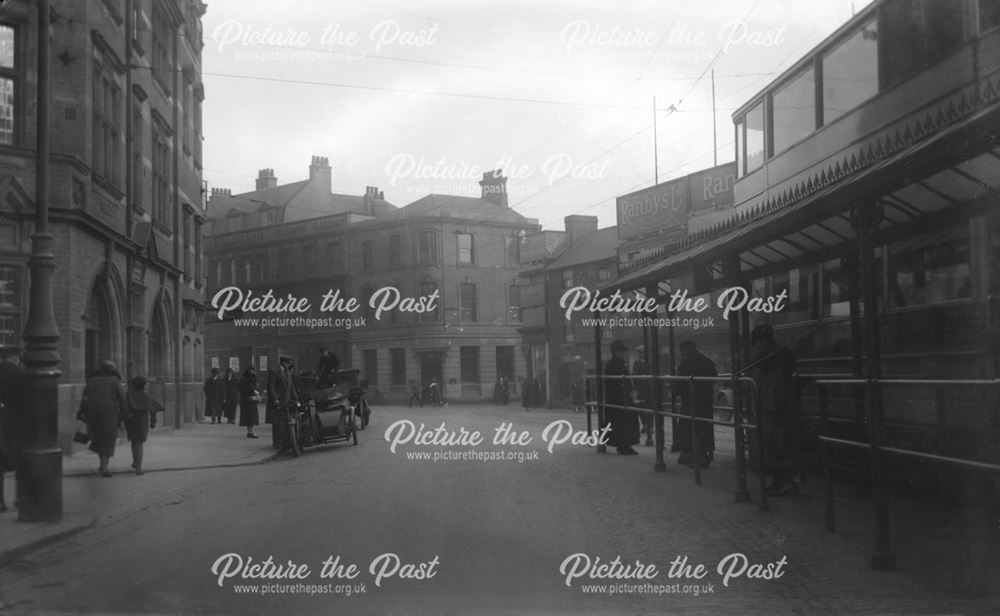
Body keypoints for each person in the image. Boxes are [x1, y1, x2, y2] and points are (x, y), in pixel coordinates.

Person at [750, 324, 799, 496]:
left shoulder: (768, 355)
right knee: (776, 445)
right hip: (775, 405)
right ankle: (780, 482)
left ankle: (784, 483)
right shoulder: (782, 351)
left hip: (774, 406)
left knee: (776, 444)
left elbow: (755, 361)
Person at [77, 360, 127, 477]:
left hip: (93, 415)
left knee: (99, 440)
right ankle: (105, 468)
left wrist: (82, 412)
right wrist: (123, 415)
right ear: (111, 369)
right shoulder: (115, 381)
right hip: (110, 415)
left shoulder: (92, 381)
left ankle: (102, 465)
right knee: (108, 441)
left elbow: (85, 398)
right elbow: (122, 398)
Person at [674, 340, 717, 468]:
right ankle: (702, 454)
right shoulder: (705, 361)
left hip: (690, 401)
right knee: (703, 428)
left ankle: (694, 455)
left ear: (685, 351)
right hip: (705, 401)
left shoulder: (686, 364)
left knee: (689, 427)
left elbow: (680, 384)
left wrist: (676, 391)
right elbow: (714, 376)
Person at [604, 340, 639, 455]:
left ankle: (625, 444)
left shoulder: (618, 363)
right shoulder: (615, 364)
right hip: (619, 399)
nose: (623, 353)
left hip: (621, 397)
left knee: (625, 422)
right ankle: (623, 445)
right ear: (617, 352)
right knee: (623, 423)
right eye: (621, 351)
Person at [0, 348, 24, 511]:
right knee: (20, 462)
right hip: (15, 424)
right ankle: (18, 499)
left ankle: (0, 502)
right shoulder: (21, 374)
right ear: (17, 358)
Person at [124, 375, 159, 476]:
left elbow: (124, 409)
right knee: (139, 443)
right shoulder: (145, 395)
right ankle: (138, 467)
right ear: (143, 385)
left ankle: (136, 463)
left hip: (131, 421)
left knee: (134, 442)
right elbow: (153, 410)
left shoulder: (129, 395)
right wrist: (153, 422)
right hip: (142, 420)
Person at [267, 355, 298, 450]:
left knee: (285, 422)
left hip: (287, 400)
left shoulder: (288, 372)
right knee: (277, 423)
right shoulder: (274, 371)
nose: (289, 365)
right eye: (288, 363)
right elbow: (271, 387)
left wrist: (296, 399)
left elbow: (291, 387)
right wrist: (275, 399)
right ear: (283, 363)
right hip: (278, 401)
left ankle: (286, 442)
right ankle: (276, 443)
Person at [632, 345, 654, 446]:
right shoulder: (649, 362)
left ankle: (646, 425)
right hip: (647, 388)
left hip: (642, 388)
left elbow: (635, 376)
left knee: (641, 407)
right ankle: (649, 425)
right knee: (647, 407)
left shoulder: (638, 363)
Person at [238, 366, 260, 439]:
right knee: (249, 417)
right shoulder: (244, 379)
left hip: (252, 400)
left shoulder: (253, 378)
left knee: (252, 417)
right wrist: (251, 391)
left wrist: (255, 391)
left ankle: (250, 431)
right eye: (250, 370)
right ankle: (250, 431)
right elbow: (241, 389)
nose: (252, 372)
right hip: (246, 400)